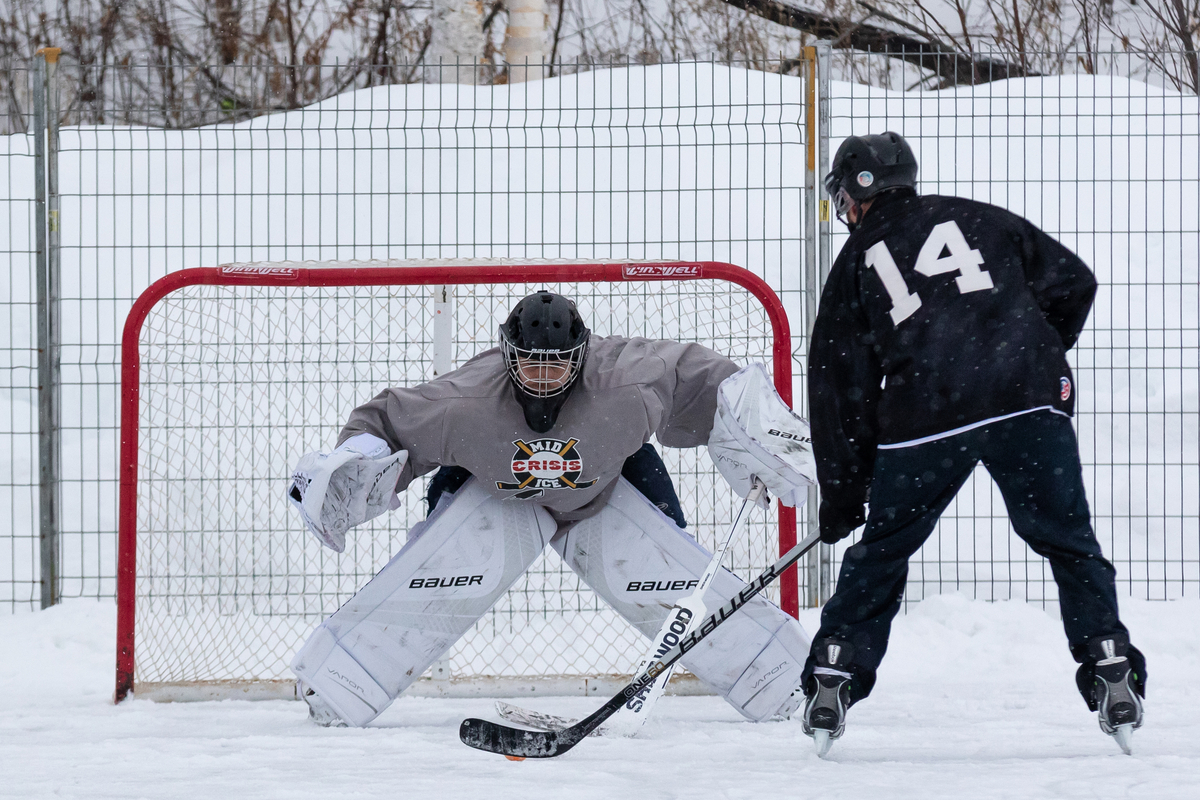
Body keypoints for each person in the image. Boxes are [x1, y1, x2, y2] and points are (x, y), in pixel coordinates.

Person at [286, 290, 816, 728]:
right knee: (440, 575)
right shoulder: (464, 402)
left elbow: (701, 377)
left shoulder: (627, 380)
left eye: (556, 363)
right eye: (530, 364)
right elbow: (386, 421)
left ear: (582, 355)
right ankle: (338, 683)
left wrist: (756, 424)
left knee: (676, 580)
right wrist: (353, 462)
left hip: (611, 480)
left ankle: (786, 681)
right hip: (494, 490)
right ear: (506, 355)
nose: (542, 376)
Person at [800, 132, 1145, 756]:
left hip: (926, 416)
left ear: (855, 193)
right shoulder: (983, 218)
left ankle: (836, 671)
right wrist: (1032, 357)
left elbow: (837, 388)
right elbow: (1075, 283)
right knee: (1069, 541)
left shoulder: (856, 261)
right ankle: (1109, 660)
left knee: (883, 550)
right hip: (1027, 401)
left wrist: (845, 494)